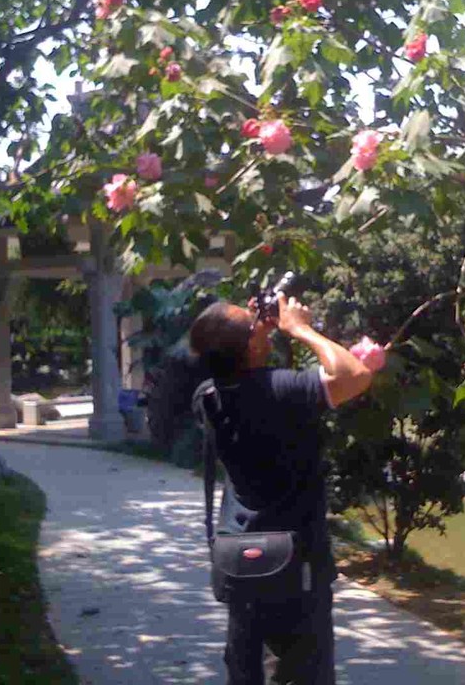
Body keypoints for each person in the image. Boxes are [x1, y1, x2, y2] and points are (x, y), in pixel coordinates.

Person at [189, 293, 373, 684]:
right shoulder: (284, 390)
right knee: (301, 671)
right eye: (253, 324)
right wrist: (299, 329)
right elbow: (354, 375)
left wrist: (256, 334)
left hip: (240, 562)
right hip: (297, 565)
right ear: (251, 345)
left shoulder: (207, 396)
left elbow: (245, 375)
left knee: (245, 670)